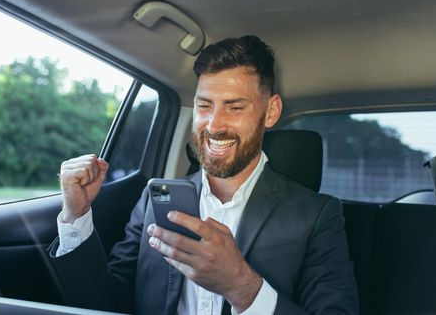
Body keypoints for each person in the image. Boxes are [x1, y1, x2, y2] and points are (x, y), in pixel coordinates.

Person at [48, 35, 358, 314]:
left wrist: (242, 286)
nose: (214, 126)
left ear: (271, 112)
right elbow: (104, 304)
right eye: (205, 105)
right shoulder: (155, 199)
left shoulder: (318, 215)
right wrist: (77, 216)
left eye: (234, 108)